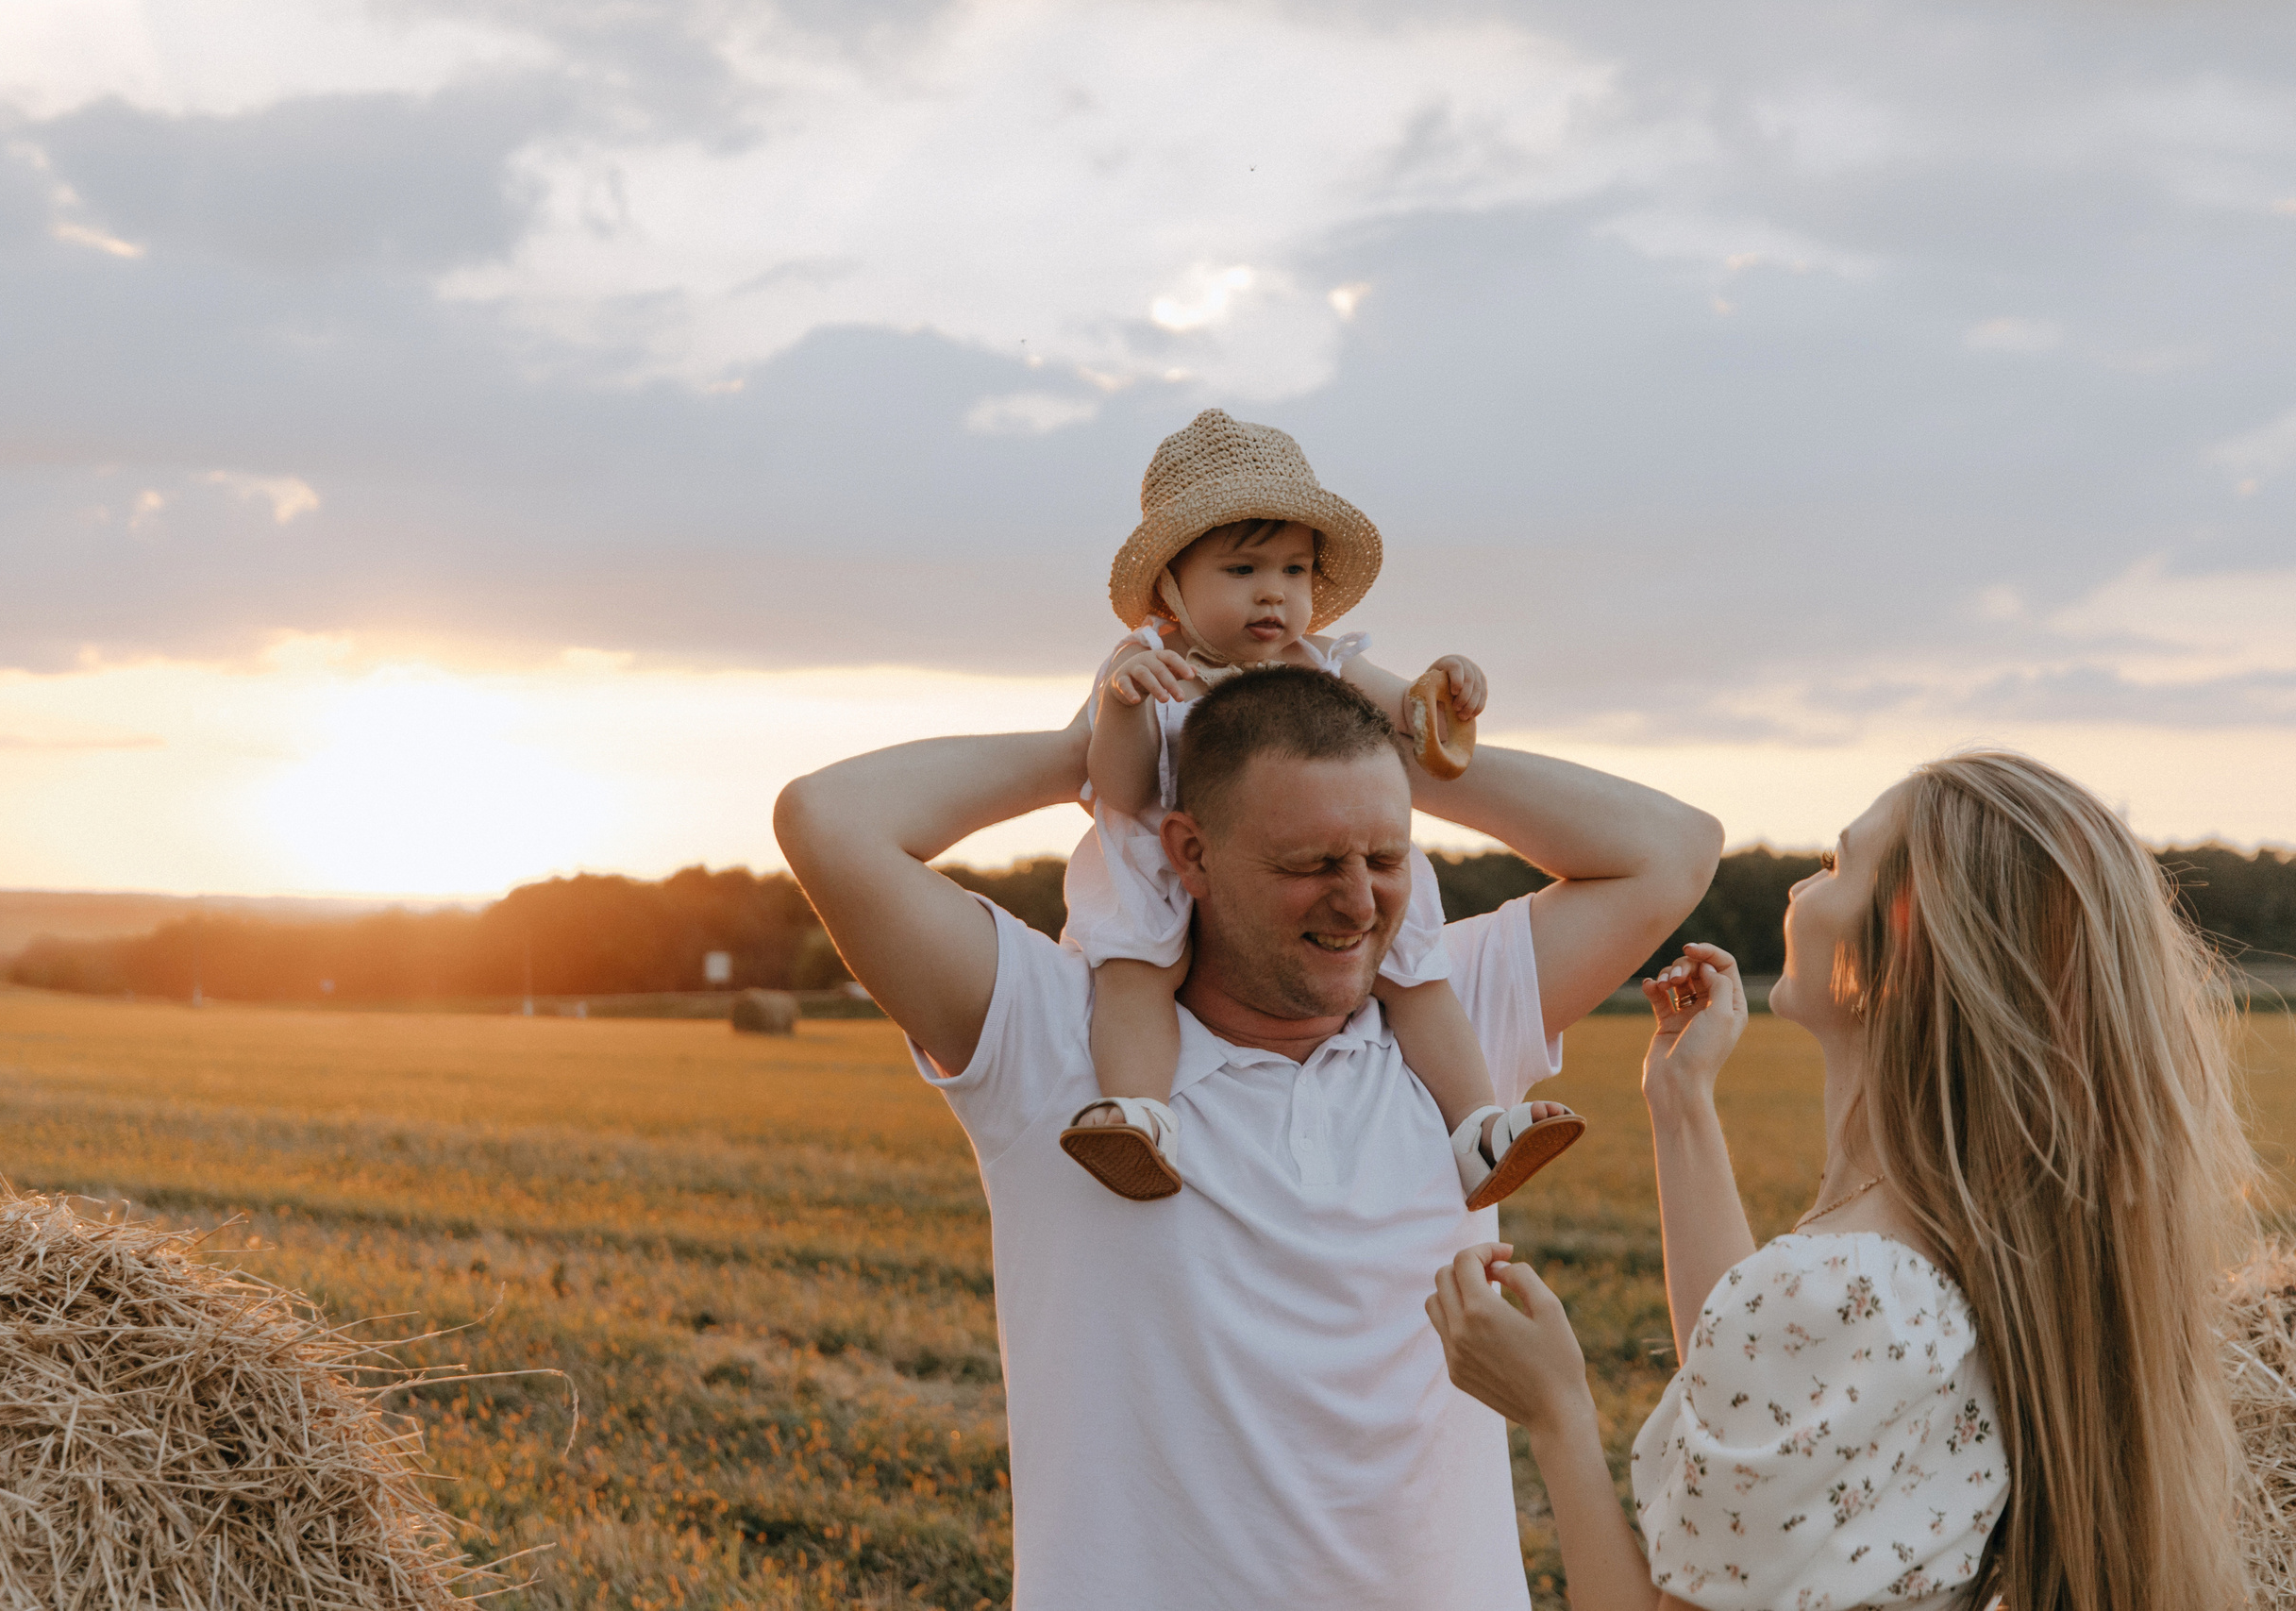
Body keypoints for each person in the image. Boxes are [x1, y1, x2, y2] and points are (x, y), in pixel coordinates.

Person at [775, 663, 1720, 1610]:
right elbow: (828, 821)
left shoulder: (1452, 1020)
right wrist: (1103, 759)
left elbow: (1675, 847)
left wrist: (1406, 735)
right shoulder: (1057, 1038)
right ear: (1187, 851)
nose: (1359, 904)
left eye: (1385, 857)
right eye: (1309, 864)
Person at [1427, 750, 2255, 1611]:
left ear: (1904, 934)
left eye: (1832, 862)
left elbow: (1773, 1338)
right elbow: (1753, 1383)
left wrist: (1555, 1410)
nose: (1798, 887)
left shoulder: (1845, 1288)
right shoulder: (1964, 1258)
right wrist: (1680, 1101)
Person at [1061, 407, 1581, 1212]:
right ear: (1169, 583)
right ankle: (1139, 1114)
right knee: (1137, 970)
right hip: (1165, 856)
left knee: (1417, 973)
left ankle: (1479, 1126)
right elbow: (1122, 791)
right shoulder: (1146, 664)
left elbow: (1411, 718)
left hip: (1321, 858)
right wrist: (1122, 705)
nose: (1275, 592)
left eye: (1296, 571)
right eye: (1243, 569)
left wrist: (1445, 684)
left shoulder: (1321, 661)